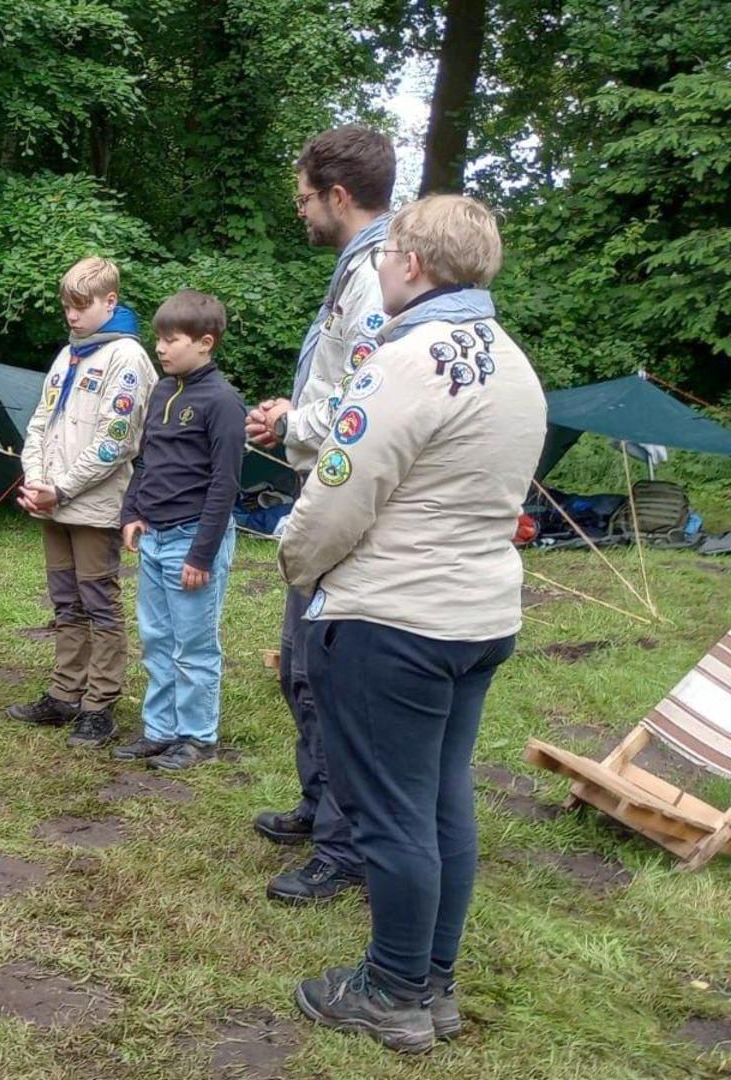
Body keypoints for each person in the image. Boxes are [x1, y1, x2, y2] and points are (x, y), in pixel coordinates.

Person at [280, 195, 545, 1054]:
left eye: (389, 252)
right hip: (478, 615)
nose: (382, 265)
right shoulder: (512, 362)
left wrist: (297, 560)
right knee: (440, 803)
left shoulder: (409, 361)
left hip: (393, 619)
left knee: (395, 814)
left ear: (414, 263)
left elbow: (339, 492)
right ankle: (432, 985)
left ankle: (393, 991)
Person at [246, 125, 396, 905]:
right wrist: (297, 413)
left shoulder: (379, 278)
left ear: (338, 196)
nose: (300, 211)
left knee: (329, 675)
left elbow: (368, 397)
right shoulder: (355, 271)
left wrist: (293, 423)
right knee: (300, 667)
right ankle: (319, 802)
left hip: (346, 501)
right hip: (321, 485)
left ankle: (346, 845)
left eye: (304, 197)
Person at [6, 256, 156, 749]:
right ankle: (66, 692)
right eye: (66, 306)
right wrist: (36, 478)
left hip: (92, 505)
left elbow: (116, 443)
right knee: (65, 602)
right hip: (54, 501)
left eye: (81, 306)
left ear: (110, 302)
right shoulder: (70, 353)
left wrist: (63, 487)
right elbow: (40, 422)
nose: (71, 316)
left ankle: (101, 704)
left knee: (98, 602)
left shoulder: (127, 359)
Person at [114, 290, 245, 770]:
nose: (161, 349)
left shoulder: (223, 401)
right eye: (159, 340)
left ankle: (198, 736)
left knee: (193, 644)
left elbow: (225, 483)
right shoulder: (162, 391)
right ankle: (160, 730)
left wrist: (201, 556)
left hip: (193, 540)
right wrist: (132, 513)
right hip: (155, 536)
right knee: (157, 637)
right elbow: (145, 459)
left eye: (172, 340)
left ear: (205, 342)